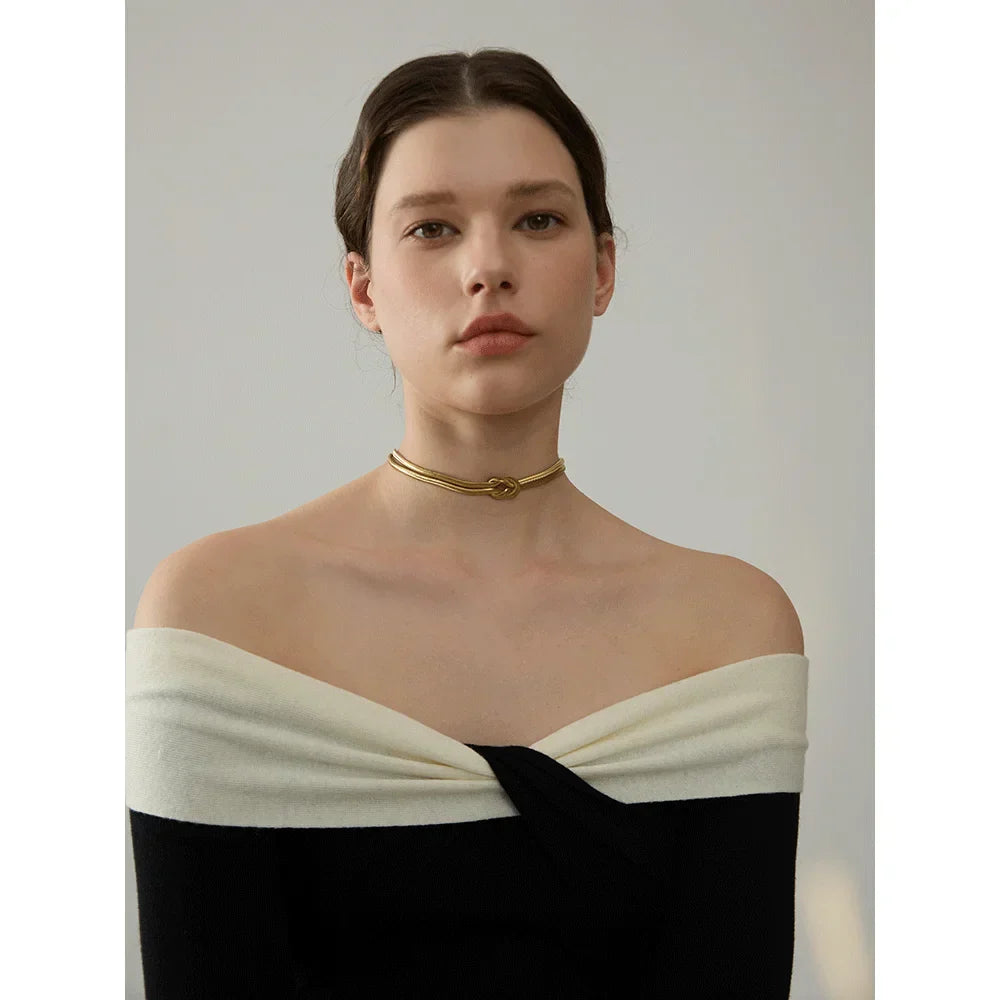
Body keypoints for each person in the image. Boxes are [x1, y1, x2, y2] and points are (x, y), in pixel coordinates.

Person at [126, 47, 808, 998]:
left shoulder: (729, 632)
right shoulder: (218, 617)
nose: (488, 267)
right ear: (363, 288)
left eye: (538, 220)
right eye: (432, 228)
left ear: (603, 268)